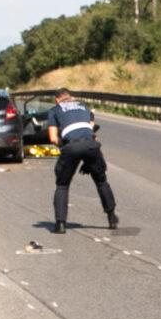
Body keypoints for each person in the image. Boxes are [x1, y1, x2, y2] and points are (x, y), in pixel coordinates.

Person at [47, 88, 118, 233]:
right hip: (91, 146)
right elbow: (92, 132)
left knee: (62, 185)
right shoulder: (83, 106)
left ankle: (60, 224)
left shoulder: (54, 110)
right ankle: (111, 217)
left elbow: (53, 138)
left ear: (57, 100)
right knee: (101, 180)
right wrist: (89, 159)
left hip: (71, 146)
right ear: (71, 98)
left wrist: (66, 146)